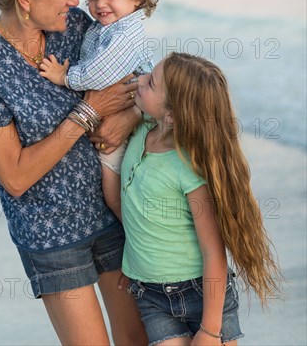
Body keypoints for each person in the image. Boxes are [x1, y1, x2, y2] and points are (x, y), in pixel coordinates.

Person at [0, 0, 148, 346]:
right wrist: (88, 113)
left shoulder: (76, 27)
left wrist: (130, 115)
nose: (77, 1)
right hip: (52, 235)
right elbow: (15, 176)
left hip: (116, 213)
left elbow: (137, 83)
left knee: (138, 339)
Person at [119, 53, 283, 346]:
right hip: (151, 296)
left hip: (201, 294)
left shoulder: (190, 170)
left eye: (150, 82)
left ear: (171, 114)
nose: (139, 80)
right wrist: (132, 264)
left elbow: (213, 252)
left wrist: (210, 329)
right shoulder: (142, 129)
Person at [39, 0, 158, 219]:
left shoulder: (126, 33)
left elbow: (100, 74)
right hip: (125, 112)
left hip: (135, 118)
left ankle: (135, 229)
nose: (99, 4)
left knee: (113, 186)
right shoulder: (105, 27)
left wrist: (64, 77)